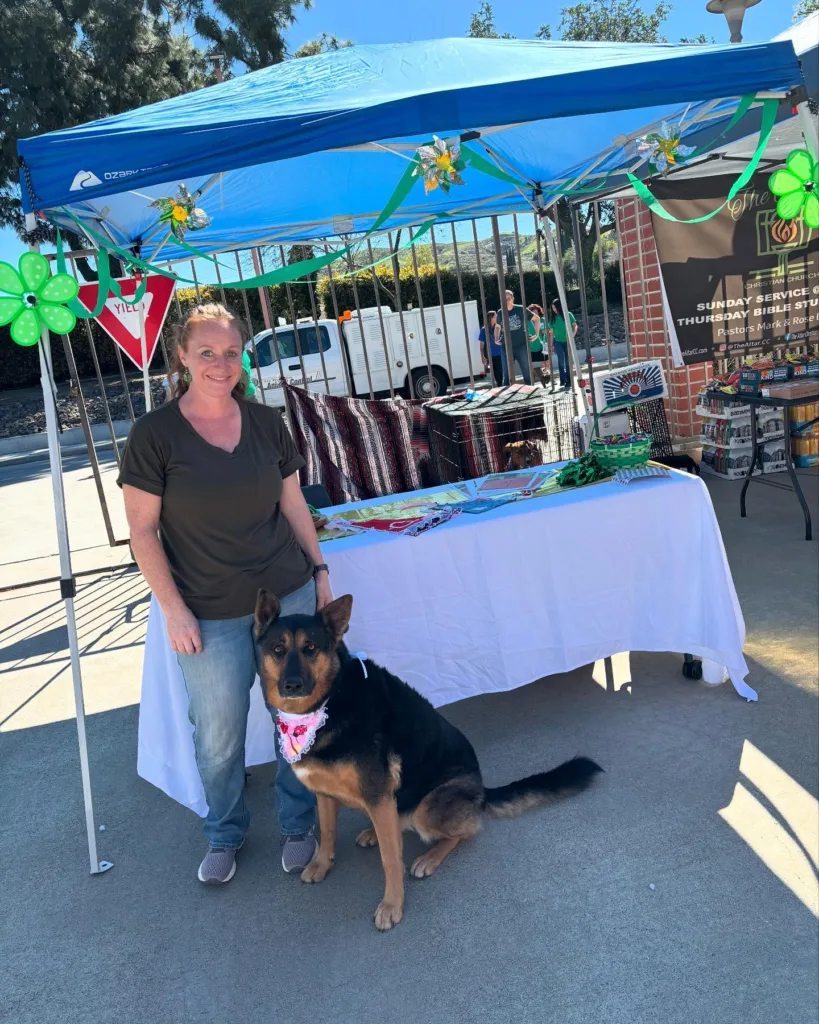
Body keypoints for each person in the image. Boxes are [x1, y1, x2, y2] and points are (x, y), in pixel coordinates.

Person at [118, 303, 333, 885]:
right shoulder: (154, 435)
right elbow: (142, 531)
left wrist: (319, 569)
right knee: (218, 735)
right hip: (207, 613)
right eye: (206, 352)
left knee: (296, 718)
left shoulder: (267, 423)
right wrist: (173, 610)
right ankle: (225, 832)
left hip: (284, 597)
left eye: (231, 352)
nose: (220, 364)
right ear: (182, 357)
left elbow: (293, 505)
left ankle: (298, 823)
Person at [496, 289, 540, 387]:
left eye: (509, 298)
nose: (507, 300)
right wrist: (496, 338)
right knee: (506, 374)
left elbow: (537, 319)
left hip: (521, 345)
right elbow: (498, 326)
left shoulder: (520, 309)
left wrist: (536, 335)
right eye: (505, 299)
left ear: (513, 299)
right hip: (506, 347)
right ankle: (507, 394)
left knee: (526, 371)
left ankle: (530, 393)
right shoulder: (500, 312)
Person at [548, 297, 577, 390]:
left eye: (555, 307)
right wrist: (551, 345)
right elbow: (552, 333)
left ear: (559, 306)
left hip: (568, 341)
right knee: (561, 362)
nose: (554, 310)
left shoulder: (569, 314)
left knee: (568, 362)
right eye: (552, 308)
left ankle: (569, 380)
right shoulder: (553, 319)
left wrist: (573, 335)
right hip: (558, 342)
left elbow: (575, 326)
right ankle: (563, 380)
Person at [478, 311, 503, 386]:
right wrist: (482, 356)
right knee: (494, 371)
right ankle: (499, 384)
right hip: (490, 354)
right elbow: (481, 345)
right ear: (491, 318)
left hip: (500, 352)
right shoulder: (484, 330)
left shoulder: (498, 327)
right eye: (495, 316)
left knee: (499, 370)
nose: (496, 318)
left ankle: (500, 384)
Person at [527, 303, 549, 387]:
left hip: (543, 346)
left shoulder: (543, 320)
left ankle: (546, 377)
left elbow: (549, 330)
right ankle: (541, 378)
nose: (535, 314)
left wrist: (545, 332)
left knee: (546, 364)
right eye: (533, 312)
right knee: (534, 366)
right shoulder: (527, 322)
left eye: (536, 312)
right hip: (532, 347)